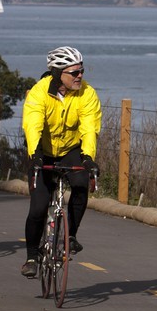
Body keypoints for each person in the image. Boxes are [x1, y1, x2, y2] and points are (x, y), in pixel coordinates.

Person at [20, 46, 101, 278]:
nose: (79, 76)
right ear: (57, 73)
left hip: (71, 149)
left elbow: (89, 128)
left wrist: (88, 158)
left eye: (81, 71)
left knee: (80, 183)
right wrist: (34, 154)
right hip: (42, 151)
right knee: (38, 206)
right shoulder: (39, 93)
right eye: (74, 72)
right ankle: (31, 257)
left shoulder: (87, 94)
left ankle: (71, 235)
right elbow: (32, 124)